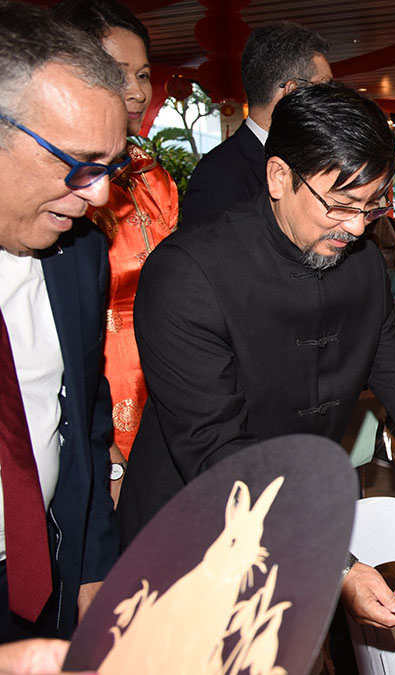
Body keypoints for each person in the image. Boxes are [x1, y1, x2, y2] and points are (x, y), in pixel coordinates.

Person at [119, 82, 395, 629]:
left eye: (371, 205)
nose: (357, 228)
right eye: (341, 205)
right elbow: (217, 452)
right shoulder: (189, 273)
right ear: (279, 176)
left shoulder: (360, 267)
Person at [0, 0, 126, 639]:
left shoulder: (78, 258)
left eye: (111, 166)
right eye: (79, 164)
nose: (100, 194)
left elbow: (84, 418)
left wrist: (92, 570)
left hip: (44, 577)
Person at [52, 0, 178, 498]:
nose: (136, 90)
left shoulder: (152, 177)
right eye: (116, 72)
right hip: (94, 397)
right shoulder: (59, 189)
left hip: (167, 385)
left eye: (143, 73)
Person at [179, 21, 331, 227]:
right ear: (293, 93)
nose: (331, 101)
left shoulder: (313, 161)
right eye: (323, 89)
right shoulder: (219, 174)